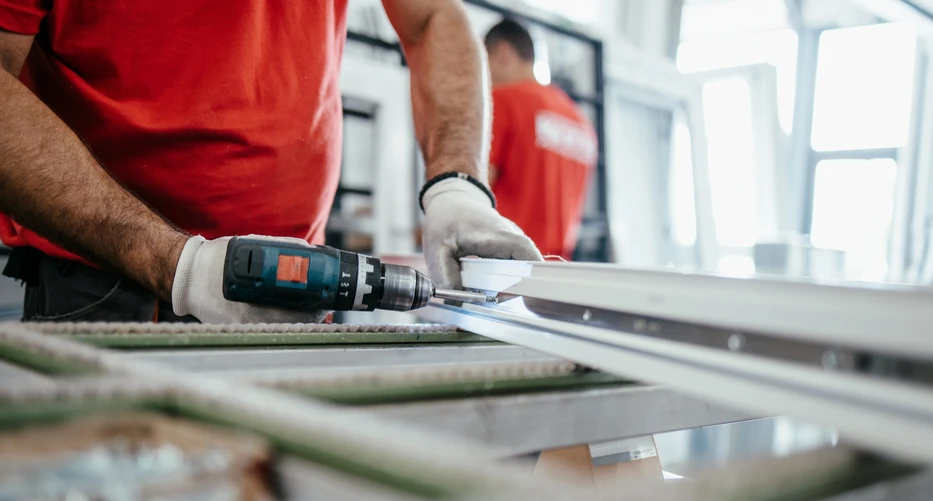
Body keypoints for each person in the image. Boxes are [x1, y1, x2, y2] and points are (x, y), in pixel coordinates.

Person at [0, 1, 540, 323]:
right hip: (110, 287)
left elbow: (434, 17)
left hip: (299, 288)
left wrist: (457, 187)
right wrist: (178, 267)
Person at [484, 19, 598, 260]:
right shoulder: (581, 122)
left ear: (503, 53)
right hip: (554, 270)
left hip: (501, 265)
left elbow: (478, 186)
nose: (485, 77)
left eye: (485, 64)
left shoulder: (504, 99)